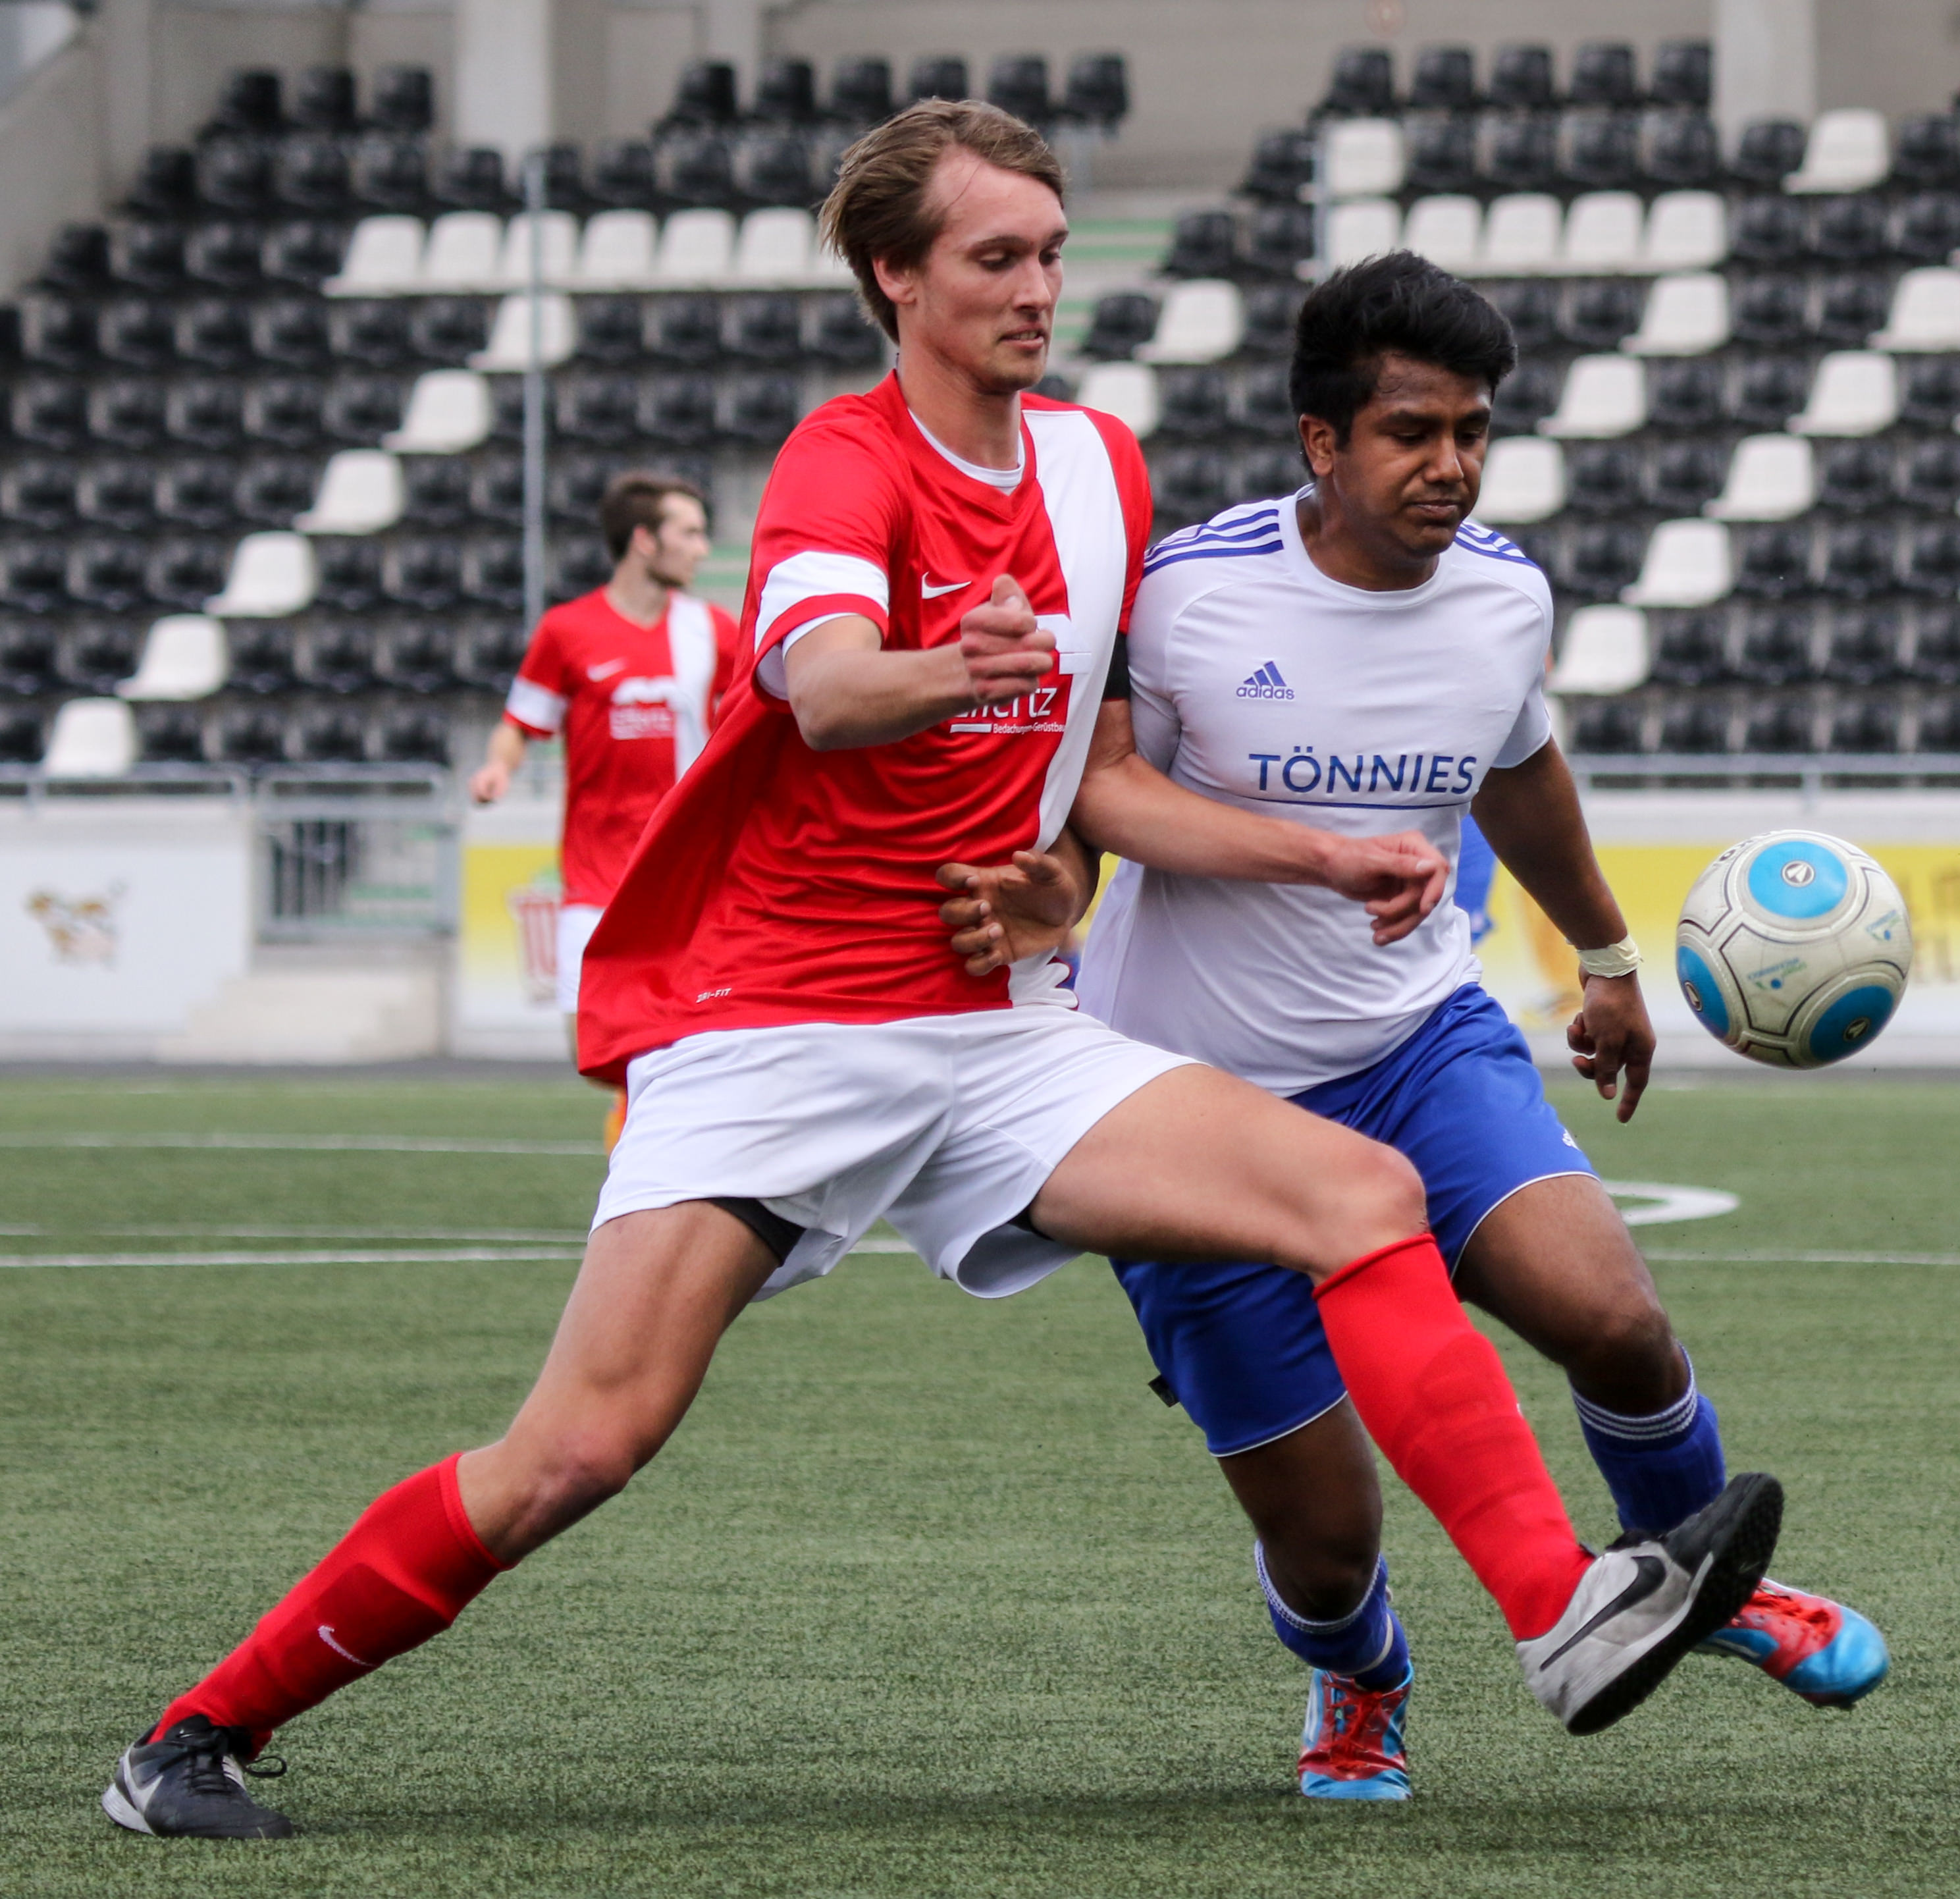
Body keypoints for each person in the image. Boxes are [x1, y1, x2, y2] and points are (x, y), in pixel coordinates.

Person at [101, 103, 1778, 1844]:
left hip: (1001, 1030)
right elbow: (826, 685)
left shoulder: (1098, 466)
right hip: (778, 1028)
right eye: (995, 256)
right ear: (895, 277)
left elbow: (1098, 782)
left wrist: (1144, 869)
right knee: (579, 1448)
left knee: (1361, 1196)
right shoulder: (844, 459)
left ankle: (1556, 1609)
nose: (1038, 286)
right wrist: (946, 665)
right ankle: (196, 1733)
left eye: (1050, 251)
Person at [947, 253, 1886, 1804]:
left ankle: (1692, 1570)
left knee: (1614, 1316)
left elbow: (1519, 774)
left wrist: (1605, 957)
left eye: (1473, 431)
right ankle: (1362, 1672)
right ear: (1323, 442)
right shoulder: (1189, 592)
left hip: (1415, 1046)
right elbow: (1101, 794)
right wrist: (1055, 893)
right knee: (1325, 1538)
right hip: (1190, 1106)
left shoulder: (1506, 595)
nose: (1451, 463)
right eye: (1412, 432)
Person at [467, 471, 736, 1142]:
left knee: (689, 1042)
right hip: (595, 881)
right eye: (689, 533)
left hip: (686, 881)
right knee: (589, 1047)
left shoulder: (713, 631)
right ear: (644, 541)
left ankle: (667, 1156)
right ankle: (646, 1121)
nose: (702, 549)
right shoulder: (568, 631)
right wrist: (499, 767)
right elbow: (521, 721)